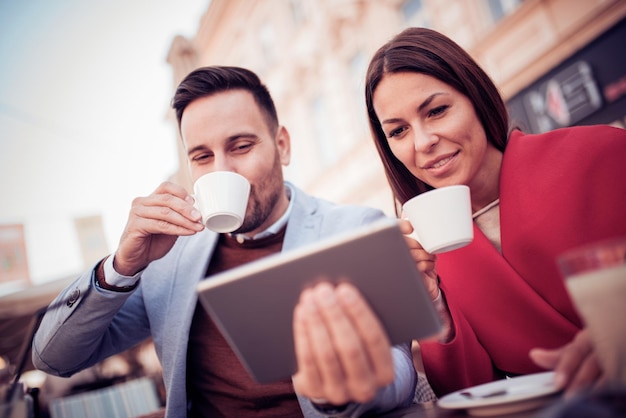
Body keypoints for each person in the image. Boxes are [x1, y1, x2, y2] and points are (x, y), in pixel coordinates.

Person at [32, 66, 420, 417]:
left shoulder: (354, 230)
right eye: (202, 156)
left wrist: (350, 390)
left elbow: (401, 373)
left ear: (281, 145)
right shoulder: (168, 259)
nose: (222, 169)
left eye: (241, 146)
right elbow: (52, 357)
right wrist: (120, 267)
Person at [364, 27, 626, 397]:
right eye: (398, 131)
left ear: (475, 96)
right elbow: (467, 393)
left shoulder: (602, 156)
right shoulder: (429, 252)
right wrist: (433, 308)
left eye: (437, 111)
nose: (422, 143)